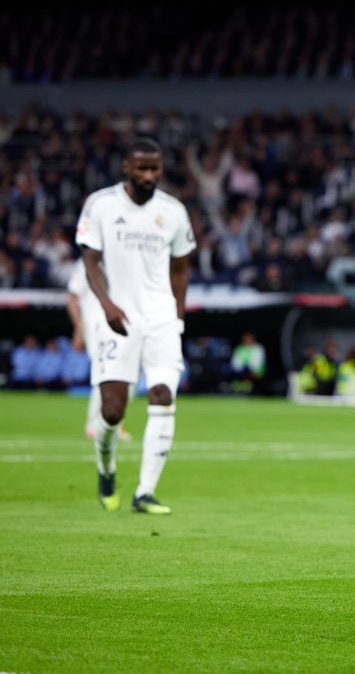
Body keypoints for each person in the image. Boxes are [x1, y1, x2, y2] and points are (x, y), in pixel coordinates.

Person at [75, 136, 196, 515]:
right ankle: (106, 467)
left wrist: (177, 315)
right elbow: (90, 261)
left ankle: (145, 492)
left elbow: (181, 266)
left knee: (163, 396)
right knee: (112, 412)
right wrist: (106, 304)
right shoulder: (101, 205)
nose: (148, 175)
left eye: (154, 168)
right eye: (141, 168)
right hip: (117, 317)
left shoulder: (173, 211)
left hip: (160, 318)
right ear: (125, 167)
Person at [67, 256, 133, 440]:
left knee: (129, 374)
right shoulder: (85, 263)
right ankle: (94, 425)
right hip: (95, 325)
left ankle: (114, 423)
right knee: (105, 372)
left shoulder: (123, 258)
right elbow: (73, 297)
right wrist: (79, 328)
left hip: (122, 323)